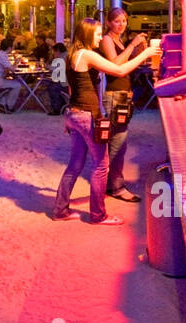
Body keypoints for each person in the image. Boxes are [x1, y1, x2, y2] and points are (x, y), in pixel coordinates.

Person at [53, 18, 152, 225]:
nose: (100, 37)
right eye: (98, 34)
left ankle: (60, 210)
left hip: (75, 114)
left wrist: (69, 116)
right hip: (87, 115)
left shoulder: (73, 54)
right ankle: (98, 215)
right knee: (101, 165)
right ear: (88, 34)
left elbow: (73, 89)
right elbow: (119, 71)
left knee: (75, 164)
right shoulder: (86, 54)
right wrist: (145, 54)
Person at [99, 8, 158, 201]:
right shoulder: (107, 39)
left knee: (118, 141)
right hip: (115, 95)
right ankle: (115, 186)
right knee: (118, 142)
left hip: (123, 94)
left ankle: (111, 182)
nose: (122, 24)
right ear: (108, 23)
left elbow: (127, 63)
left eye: (124, 21)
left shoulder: (118, 40)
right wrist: (133, 45)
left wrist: (139, 49)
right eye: (117, 21)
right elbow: (116, 65)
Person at [46, 42, 70, 114]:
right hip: (66, 81)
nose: (53, 53)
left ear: (58, 51)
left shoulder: (63, 57)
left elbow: (54, 69)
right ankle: (61, 105)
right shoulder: (65, 55)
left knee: (52, 87)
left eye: (54, 52)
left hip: (66, 83)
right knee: (51, 83)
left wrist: (45, 66)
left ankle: (56, 109)